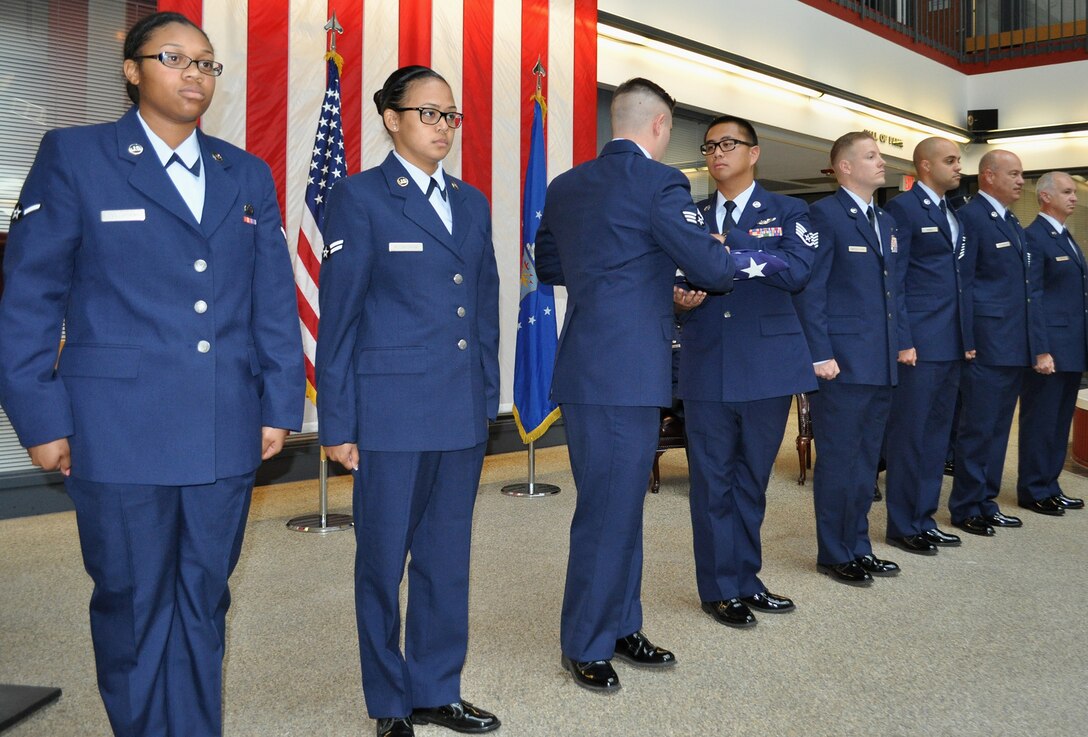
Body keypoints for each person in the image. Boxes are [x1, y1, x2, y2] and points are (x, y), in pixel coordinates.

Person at [0, 12, 304, 737]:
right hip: (117, 430)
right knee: (133, 602)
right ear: (133, 70)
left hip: (223, 423)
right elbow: (30, 298)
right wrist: (39, 417)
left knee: (203, 597)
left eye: (206, 63)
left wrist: (278, 403)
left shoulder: (246, 172)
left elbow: (271, 301)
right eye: (174, 58)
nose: (194, 73)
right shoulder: (77, 155)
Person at [535, 77, 735, 693]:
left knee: (618, 503)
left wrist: (634, 272)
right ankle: (586, 642)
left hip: (591, 365)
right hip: (624, 372)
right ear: (659, 127)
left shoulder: (567, 186)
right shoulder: (660, 182)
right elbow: (714, 270)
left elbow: (548, 265)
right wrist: (701, 256)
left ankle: (622, 625)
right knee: (606, 510)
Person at [316, 65, 500, 737]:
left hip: (458, 413)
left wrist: (487, 398)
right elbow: (338, 320)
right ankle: (389, 702)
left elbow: (482, 306)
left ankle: (436, 687)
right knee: (382, 563)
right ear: (390, 118)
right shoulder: (360, 197)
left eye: (451, 115)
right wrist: (337, 422)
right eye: (429, 113)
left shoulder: (472, 201)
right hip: (388, 415)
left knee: (447, 559)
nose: (444, 127)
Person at [676, 114, 816, 627]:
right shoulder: (687, 216)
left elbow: (797, 271)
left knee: (751, 480)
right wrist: (680, 300)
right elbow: (672, 281)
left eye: (728, 144)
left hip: (767, 367)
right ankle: (718, 588)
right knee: (712, 482)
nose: (717, 153)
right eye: (710, 146)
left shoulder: (789, 209)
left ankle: (747, 579)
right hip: (707, 364)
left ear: (754, 153)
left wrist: (727, 254)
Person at [795, 131, 906, 587]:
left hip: (880, 361)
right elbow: (811, 290)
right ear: (843, 167)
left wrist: (900, 342)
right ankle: (834, 552)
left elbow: (891, 292)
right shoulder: (823, 215)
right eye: (871, 156)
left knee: (866, 461)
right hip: (841, 363)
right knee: (840, 460)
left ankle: (858, 545)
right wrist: (819, 353)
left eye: (881, 156)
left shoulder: (885, 220)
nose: (882, 163)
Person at [949, 150, 1051, 536]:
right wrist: (967, 337)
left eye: (1022, 174)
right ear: (988, 176)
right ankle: (966, 506)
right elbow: (963, 283)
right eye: (1013, 173)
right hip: (986, 344)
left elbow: (1026, 291)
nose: (1020, 181)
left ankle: (985, 501)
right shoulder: (971, 217)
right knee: (978, 428)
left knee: (996, 429)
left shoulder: (1010, 220)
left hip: (1011, 344)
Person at [882, 137, 971, 555]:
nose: (958, 167)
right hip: (919, 344)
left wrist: (966, 339)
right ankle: (903, 525)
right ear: (924, 165)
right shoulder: (903, 208)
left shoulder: (951, 212)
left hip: (949, 343)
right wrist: (903, 340)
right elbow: (894, 282)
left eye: (959, 161)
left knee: (937, 438)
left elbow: (957, 282)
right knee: (911, 437)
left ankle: (924, 517)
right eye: (950, 161)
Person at [1017, 171, 1087, 515]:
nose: (1074, 197)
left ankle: (1050, 484)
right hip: (1050, 349)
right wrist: (1040, 348)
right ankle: (1033, 489)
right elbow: (1033, 298)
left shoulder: (1066, 237)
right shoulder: (1034, 237)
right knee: (1041, 420)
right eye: (1067, 191)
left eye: (1074, 192)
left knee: (1059, 422)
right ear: (1045, 197)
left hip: (1071, 346)